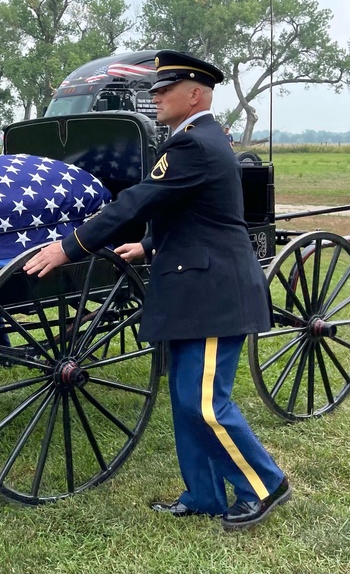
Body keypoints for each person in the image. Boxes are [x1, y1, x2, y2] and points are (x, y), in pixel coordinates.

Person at [24, 50, 289, 532]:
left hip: (213, 292)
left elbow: (139, 200)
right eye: (155, 90)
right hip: (193, 285)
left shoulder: (194, 145)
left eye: (165, 90)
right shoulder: (196, 140)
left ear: (195, 94)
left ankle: (265, 484)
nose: (156, 97)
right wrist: (148, 245)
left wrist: (72, 245)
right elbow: (188, 211)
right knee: (186, 399)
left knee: (206, 403)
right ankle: (205, 495)